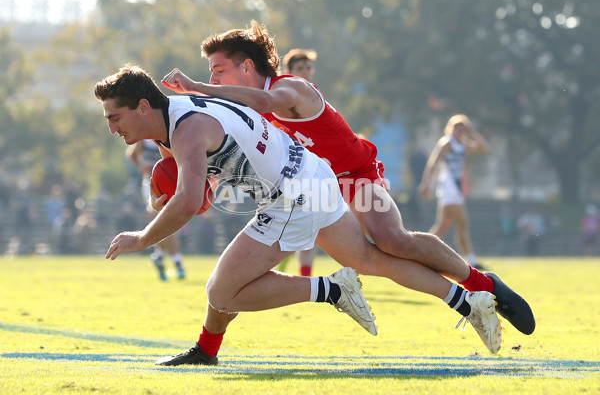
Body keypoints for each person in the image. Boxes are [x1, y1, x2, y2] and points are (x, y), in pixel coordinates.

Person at [160, 20, 534, 363]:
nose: (212, 78)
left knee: (393, 241)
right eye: (209, 72)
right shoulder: (246, 110)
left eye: (218, 70)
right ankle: (469, 305)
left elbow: (264, 103)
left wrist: (195, 87)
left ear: (246, 67)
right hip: (314, 189)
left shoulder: (288, 87)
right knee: (366, 263)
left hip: (354, 173)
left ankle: (484, 284)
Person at [96, 65, 505, 366]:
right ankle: (470, 304)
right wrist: (167, 193)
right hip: (312, 173)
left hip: (291, 196)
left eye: (115, 117)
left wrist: (141, 238)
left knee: (221, 291)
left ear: (144, 107)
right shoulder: (180, 112)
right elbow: (202, 183)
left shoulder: (186, 129)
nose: (112, 128)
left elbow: (189, 201)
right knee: (371, 259)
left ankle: (332, 290)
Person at [418, 114, 488, 270]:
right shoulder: (447, 143)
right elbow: (432, 163)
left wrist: (472, 133)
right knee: (462, 223)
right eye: (457, 127)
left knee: (443, 226)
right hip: (449, 187)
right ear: (451, 128)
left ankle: (421, 254)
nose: (460, 131)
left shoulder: (462, 143)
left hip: (455, 187)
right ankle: (472, 261)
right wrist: (426, 183)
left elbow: (483, 148)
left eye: (463, 128)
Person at [279, 48, 319, 276]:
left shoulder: (315, 95)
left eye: (308, 67)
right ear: (289, 71)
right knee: (286, 226)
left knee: (311, 228)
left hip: (311, 170)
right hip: (289, 170)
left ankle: (304, 278)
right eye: (300, 68)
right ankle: (275, 273)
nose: (306, 72)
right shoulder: (285, 96)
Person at [126, 139, 187, 280]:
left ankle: (159, 257)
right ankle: (177, 262)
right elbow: (132, 154)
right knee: (168, 222)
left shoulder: (168, 131)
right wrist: (141, 166)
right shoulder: (146, 136)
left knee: (168, 222)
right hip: (152, 183)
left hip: (171, 180)